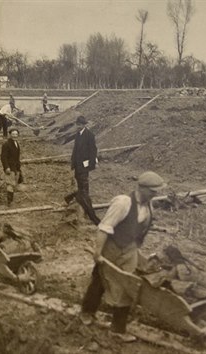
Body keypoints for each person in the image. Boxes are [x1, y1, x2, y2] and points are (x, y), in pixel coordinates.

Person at [79, 171, 166, 342]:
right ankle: (86, 312)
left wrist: (137, 252)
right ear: (142, 188)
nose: (156, 194)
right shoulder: (123, 203)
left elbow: (140, 231)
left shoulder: (149, 206)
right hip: (111, 247)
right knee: (100, 281)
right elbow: (104, 228)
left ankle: (117, 330)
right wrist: (98, 253)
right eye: (153, 191)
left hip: (129, 250)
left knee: (128, 286)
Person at [65, 115, 100, 225]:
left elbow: (93, 150)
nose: (78, 126)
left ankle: (91, 216)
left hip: (84, 166)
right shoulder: (77, 135)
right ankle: (78, 201)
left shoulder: (89, 135)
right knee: (81, 188)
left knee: (84, 190)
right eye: (77, 124)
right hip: (77, 165)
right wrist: (72, 165)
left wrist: (90, 164)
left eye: (80, 125)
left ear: (84, 125)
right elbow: (75, 151)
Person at [1, 128, 22, 207]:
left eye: (16, 134)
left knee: (14, 184)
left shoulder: (16, 143)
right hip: (10, 167)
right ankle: (9, 202)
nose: (14, 136)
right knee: (10, 184)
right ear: (10, 135)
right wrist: (6, 167)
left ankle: (11, 200)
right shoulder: (6, 144)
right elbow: (3, 157)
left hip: (16, 166)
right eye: (13, 134)